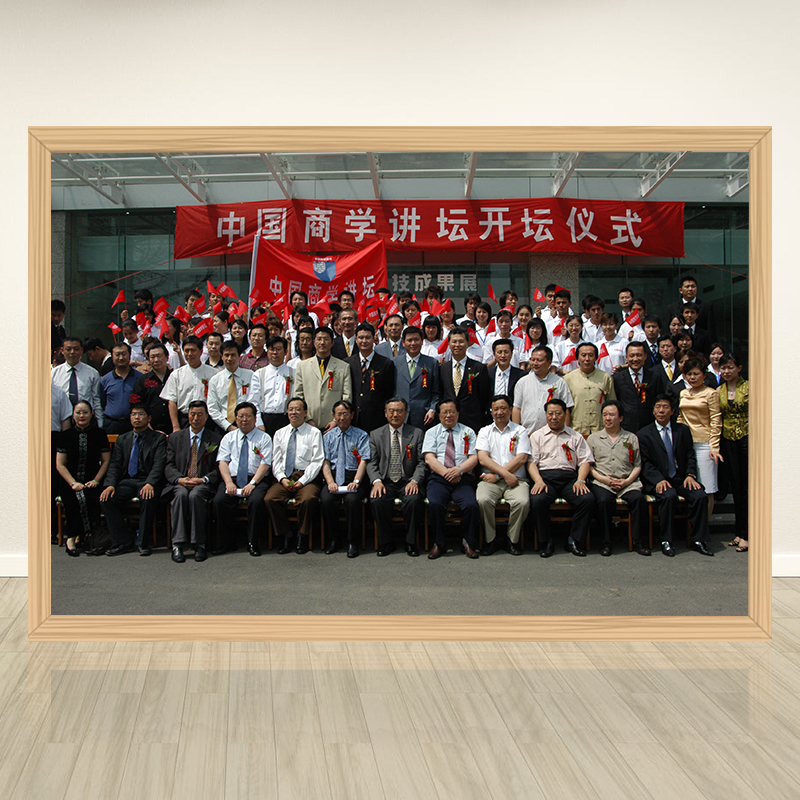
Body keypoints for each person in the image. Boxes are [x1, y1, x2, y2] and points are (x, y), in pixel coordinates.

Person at [638, 394, 713, 556]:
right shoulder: (644, 434)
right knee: (669, 496)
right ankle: (666, 540)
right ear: (653, 411)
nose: (661, 411)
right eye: (658, 407)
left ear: (672, 411)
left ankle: (698, 540)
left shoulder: (682, 430)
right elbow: (645, 463)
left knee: (700, 495)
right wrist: (658, 479)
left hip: (680, 478)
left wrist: (691, 475)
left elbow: (690, 454)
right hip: (658, 479)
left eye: (665, 407)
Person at [527, 398, 595, 557]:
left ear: (565, 414)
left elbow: (585, 461)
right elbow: (531, 463)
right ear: (546, 415)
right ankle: (545, 542)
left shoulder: (575, 436)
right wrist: (538, 481)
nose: (554, 417)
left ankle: (574, 540)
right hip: (546, 478)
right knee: (538, 500)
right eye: (550, 413)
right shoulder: (537, 436)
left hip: (570, 479)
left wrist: (580, 480)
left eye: (558, 413)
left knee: (587, 499)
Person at [99, 404, 167, 556]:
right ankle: (123, 541)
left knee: (148, 497)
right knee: (106, 498)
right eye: (134, 414)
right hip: (128, 481)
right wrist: (110, 485)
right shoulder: (123, 439)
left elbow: (159, 464)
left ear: (149, 418)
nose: (137, 417)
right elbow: (115, 465)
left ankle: (143, 543)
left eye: (141, 414)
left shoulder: (158, 438)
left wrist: (150, 483)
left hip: (147, 481)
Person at [587, 401, 650, 556]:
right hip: (602, 482)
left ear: (621, 418)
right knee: (603, 501)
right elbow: (589, 466)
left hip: (627, 482)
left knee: (638, 500)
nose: (608, 418)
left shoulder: (631, 438)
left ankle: (638, 542)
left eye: (612, 415)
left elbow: (637, 465)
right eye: (605, 415)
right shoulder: (594, 438)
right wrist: (603, 479)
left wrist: (627, 481)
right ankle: (606, 542)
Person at [162, 400, 221, 563]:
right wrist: (179, 479)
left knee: (195, 496)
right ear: (187, 415)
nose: (196, 418)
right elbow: (168, 465)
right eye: (192, 414)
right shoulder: (175, 438)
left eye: (200, 414)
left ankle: (199, 544)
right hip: (180, 482)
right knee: (180, 495)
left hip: (202, 483)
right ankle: (178, 544)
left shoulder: (215, 438)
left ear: (206, 417)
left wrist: (203, 479)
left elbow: (219, 468)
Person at [367, 397, 426, 557]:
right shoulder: (375, 434)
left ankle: (410, 542)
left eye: (399, 411)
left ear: (406, 413)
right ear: (385, 413)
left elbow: (422, 462)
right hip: (385, 481)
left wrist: (415, 481)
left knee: (413, 500)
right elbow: (371, 462)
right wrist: (376, 481)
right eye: (391, 411)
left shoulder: (417, 433)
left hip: (408, 480)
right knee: (377, 500)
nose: (395, 414)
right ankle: (386, 542)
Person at [212, 402, 272, 557]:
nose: (244, 420)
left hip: (256, 479)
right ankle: (226, 542)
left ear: (255, 418)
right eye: (240, 417)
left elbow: (265, 463)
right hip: (232, 478)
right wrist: (228, 483)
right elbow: (223, 462)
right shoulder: (228, 437)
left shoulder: (264, 438)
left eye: (248, 416)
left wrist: (252, 484)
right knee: (219, 501)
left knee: (256, 501)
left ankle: (253, 542)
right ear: (236, 418)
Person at [266, 397, 325, 554]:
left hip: (307, 476)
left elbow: (317, 460)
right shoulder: (280, 433)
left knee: (308, 499)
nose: (294, 412)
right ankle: (286, 534)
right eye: (291, 409)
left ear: (305, 413)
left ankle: (302, 535)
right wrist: (282, 478)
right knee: (270, 498)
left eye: (298, 409)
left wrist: (303, 480)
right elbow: (276, 460)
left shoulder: (314, 432)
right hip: (285, 476)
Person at [422, 399, 480, 559]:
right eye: (445, 412)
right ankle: (439, 543)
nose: (448, 415)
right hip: (439, 478)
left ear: (458, 414)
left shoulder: (468, 432)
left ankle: (468, 542)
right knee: (435, 504)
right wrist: (447, 473)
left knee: (471, 505)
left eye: (452, 412)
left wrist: (458, 470)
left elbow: (474, 458)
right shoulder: (431, 432)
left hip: (462, 478)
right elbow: (429, 458)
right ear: (439, 415)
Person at [476, 395, 531, 555]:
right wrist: (501, 475)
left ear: (510, 410)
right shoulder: (485, 431)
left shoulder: (520, 431)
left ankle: (511, 539)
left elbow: (521, 458)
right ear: (491, 412)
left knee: (522, 502)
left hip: (516, 480)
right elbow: (483, 458)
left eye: (503, 408)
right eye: (496, 409)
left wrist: (498, 475)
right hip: (490, 481)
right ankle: (490, 539)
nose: (499, 412)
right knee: (483, 500)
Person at [56, 401, 111, 556]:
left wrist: (96, 480)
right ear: (73, 415)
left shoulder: (99, 434)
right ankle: (72, 537)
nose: (82, 416)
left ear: (91, 414)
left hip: (92, 479)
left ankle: (85, 535)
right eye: (78, 412)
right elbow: (60, 464)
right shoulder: (65, 435)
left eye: (85, 412)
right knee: (72, 499)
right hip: (70, 480)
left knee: (89, 497)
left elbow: (106, 461)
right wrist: (73, 483)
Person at [319, 401, 370, 557]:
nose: (342, 418)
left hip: (353, 476)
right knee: (326, 500)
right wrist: (330, 482)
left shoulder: (361, 435)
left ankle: (352, 541)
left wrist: (356, 481)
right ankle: (334, 539)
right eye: (339, 414)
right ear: (333, 416)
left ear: (352, 415)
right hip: (334, 476)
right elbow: (325, 462)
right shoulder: (327, 436)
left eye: (345, 414)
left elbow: (364, 460)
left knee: (352, 501)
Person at [677, 356, 723, 517]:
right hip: (686, 444)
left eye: (696, 374)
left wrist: (714, 446)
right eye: (689, 374)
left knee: (707, 488)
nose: (693, 377)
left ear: (704, 374)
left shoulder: (711, 393)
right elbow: (681, 417)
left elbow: (716, 420)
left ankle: (705, 525)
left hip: (704, 444)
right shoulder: (683, 393)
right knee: (689, 486)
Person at [293, 326, 352, 432]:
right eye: (319, 339)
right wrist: (307, 418)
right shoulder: (302, 366)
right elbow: (298, 395)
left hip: (334, 426)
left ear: (332, 342)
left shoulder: (343, 367)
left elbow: (346, 396)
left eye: (326, 339)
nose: (322, 342)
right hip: (309, 425)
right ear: (314, 342)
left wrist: (336, 420)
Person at [718, 354, 748, 552]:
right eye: (723, 368)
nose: (727, 371)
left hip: (748, 437)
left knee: (747, 487)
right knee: (736, 486)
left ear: (739, 368)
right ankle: (739, 532)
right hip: (728, 440)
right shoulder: (719, 390)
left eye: (730, 367)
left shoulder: (749, 387)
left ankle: (748, 534)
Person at [159, 335, 218, 432]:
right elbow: (172, 401)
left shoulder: (213, 373)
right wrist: (175, 426)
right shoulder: (176, 374)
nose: (189, 354)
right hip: (185, 419)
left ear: (201, 351)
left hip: (208, 419)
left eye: (193, 350)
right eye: (186, 351)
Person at [612, 341, 673, 433]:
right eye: (632, 355)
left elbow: (659, 398)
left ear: (645, 356)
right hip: (626, 427)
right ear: (626, 357)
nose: (635, 359)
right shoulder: (617, 378)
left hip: (649, 426)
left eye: (639, 355)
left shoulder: (654, 376)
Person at [512, 346, 573, 434]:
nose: (535, 363)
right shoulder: (522, 382)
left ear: (549, 363)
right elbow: (517, 408)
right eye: (532, 360)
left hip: (553, 434)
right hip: (527, 433)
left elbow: (566, 409)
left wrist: (565, 433)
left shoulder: (559, 382)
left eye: (539, 360)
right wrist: (516, 432)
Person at [440, 326, 490, 436]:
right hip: (449, 421)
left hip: (472, 420)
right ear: (449, 344)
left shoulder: (479, 368)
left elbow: (484, 397)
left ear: (467, 344)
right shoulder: (442, 369)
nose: (457, 345)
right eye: (454, 342)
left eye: (461, 341)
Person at [347, 322, 395, 433]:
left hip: (376, 419)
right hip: (353, 419)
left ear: (374, 339)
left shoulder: (385, 363)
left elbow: (388, 393)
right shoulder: (348, 363)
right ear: (356, 339)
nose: (364, 341)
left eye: (368, 337)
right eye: (361, 338)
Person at [563, 342, 616, 436]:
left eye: (591, 355)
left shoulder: (605, 377)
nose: (587, 359)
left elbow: (611, 404)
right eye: (583, 355)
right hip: (577, 430)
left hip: (600, 430)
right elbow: (565, 408)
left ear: (596, 358)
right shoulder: (568, 379)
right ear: (577, 358)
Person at [393, 326, 439, 429]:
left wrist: (432, 409)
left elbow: (436, 392)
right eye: (409, 340)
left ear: (422, 341)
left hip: (424, 416)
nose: (413, 343)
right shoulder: (394, 363)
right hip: (399, 415)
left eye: (416, 339)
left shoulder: (432, 363)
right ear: (403, 343)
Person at [207, 341, 258, 434]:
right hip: (223, 426)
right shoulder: (215, 380)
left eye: (233, 355)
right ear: (221, 357)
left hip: (247, 424)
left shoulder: (250, 375)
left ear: (239, 356)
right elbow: (212, 408)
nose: (229, 359)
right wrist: (228, 426)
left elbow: (256, 400)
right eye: (226, 355)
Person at [51, 337, 104, 426]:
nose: (72, 352)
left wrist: (100, 423)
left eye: (76, 349)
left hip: (85, 420)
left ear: (81, 350)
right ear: (62, 351)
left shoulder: (92, 373)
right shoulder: (54, 373)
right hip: (62, 421)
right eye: (68, 349)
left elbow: (96, 399)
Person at [252, 335, 294, 437]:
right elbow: (253, 401)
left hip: (286, 419)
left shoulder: (294, 373)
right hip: (265, 420)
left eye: (278, 349)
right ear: (267, 352)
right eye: (271, 349)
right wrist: (259, 423)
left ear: (286, 352)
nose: (275, 352)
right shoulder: (259, 374)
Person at [129, 342, 173, 434]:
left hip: (174, 429)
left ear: (167, 357)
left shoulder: (175, 377)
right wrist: (148, 428)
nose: (156, 360)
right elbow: (136, 404)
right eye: (152, 357)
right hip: (149, 430)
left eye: (159, 356)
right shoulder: (142, 380)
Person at [99, 342, 138, 434]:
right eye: (117, 354)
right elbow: (102, 403)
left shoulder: (139, 378)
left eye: (124, 354)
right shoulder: (105, 380)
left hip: (132, 423)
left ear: (130, 355)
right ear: (112, 356)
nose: (121, 358)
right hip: (111, 424)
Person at [666, 274, 717, 341]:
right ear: (681, 290)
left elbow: (711, 330)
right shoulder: (672, 308)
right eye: (687, 287)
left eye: (693, 286)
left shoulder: (706, 306)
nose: (690, 289)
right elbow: (668, 330)